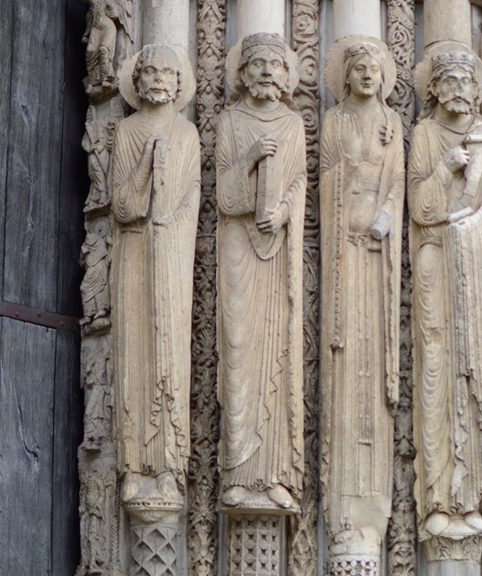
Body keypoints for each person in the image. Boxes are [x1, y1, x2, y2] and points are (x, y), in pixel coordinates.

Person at [409, 42, 482, 549]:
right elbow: (418, 206)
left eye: (467, 81)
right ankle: (438, 497)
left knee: (470, 369)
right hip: (435, 262)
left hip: (471, 267)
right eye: (450, 81)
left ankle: (469, 496)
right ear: (435, 89)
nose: (459, 89)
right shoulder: (423, 136)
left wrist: (469, 218)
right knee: (436, 369)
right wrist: (445, 168)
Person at [319, 36, 403, 567]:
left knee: (371, 360)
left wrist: (386, 214)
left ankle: (371, 506)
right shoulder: (333, 123)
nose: (368, 74)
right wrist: (347, 183)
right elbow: (327, 175)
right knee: (345, 357)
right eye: (359, 68)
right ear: (345, 77)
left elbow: (396, 184)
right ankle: (343, 502)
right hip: (342, 259)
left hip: (376, 255)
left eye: (375, 67)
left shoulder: (393, 125)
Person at [216, 32, 306, 513]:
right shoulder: (230, 122)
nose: (268, 71)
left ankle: (272, 474)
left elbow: (298, 182)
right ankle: (237, 471)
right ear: (243, 73)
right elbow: (224, 196)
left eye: (276, 64)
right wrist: (250, 160)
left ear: (286, 76)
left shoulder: (293, 125)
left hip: (277, 249)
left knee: (277, 356)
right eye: (258, 64)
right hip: (238, 249)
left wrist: (287, 211)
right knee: (239, 353)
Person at [109, 44, 200, 511]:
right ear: (138, 82)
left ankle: (167, 467)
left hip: (171, 258)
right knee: (134, 355)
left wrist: (172, 223)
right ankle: (134, 467)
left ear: (179, 83)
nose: (161, 79)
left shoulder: (187, 134)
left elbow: (192, 199)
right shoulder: (126, 131)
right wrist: (146, 162)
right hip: (133, 255)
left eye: (169, 72)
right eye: (151, 72)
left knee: (167, 356)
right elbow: (121, 205)